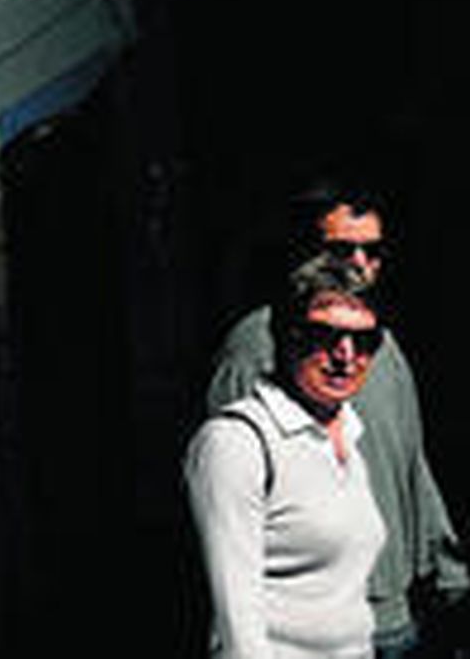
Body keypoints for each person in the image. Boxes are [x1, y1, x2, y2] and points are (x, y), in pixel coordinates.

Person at [207, 182, 470, 657]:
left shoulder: (382, 345)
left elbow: (410, 463)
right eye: (341, 249)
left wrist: (447, 574)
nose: (360, 264)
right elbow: (229, 514)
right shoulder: (255, 345)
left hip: (395, 616)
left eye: (372, 251)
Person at [187, 262, 388, 657]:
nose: (346, 355)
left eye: (364, 340)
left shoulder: (349, 429)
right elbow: (238, 624)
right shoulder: (236, 442)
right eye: (324, 336)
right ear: (286, 335)